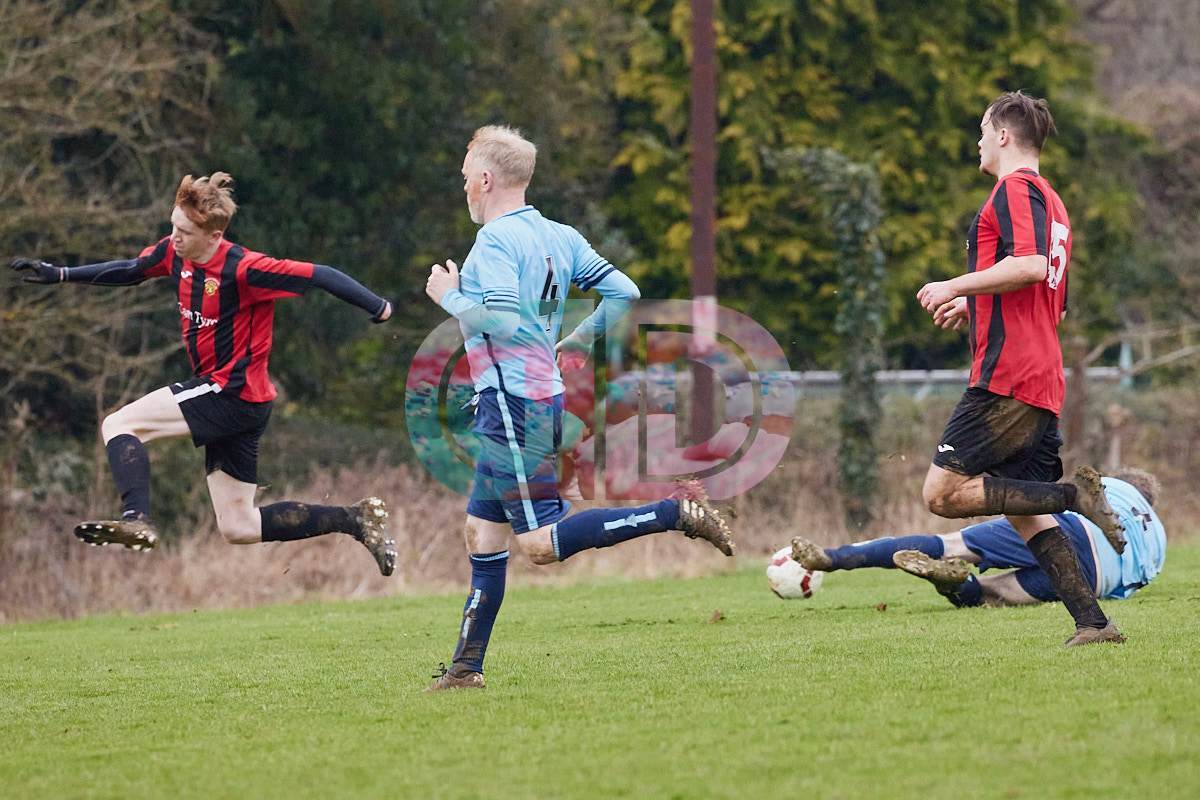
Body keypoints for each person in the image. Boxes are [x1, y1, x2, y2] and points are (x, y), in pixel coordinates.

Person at [423, 125, 734, 690]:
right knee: (482, 532)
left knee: (539, 545)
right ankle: (466, 668)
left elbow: (501, 322)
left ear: (486, 179)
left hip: (513, 405)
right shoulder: (559, 236)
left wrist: (451, 297)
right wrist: (580, 338)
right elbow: (624, 291)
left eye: (466, 175)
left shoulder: (493, 242)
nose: (463, 185)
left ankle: (674, 513)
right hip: (535, 398)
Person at [9, 173, 397, 575]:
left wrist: (378, 306)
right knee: (239, 526)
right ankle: (355, 519)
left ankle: (136, 519)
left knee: (119, 424)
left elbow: (320, 274)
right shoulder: (174, 253)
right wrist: (61, 274)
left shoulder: (246, 269)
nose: (174, 237)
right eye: (173, 226)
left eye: (185, 231)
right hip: (244, 403)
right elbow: (131, 269)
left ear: (214, 236)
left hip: (229, 392)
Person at [913, 91, 1125, 646]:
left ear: (1003, 136)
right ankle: (1093, 623)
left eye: (983, 131)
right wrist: (974, 305)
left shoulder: (1013, 190)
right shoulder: (1053, 203)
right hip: (1042, 373)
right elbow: (1052, 299)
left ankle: (1076, 498)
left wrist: (953, 285)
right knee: (1024, 510)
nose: (979, 142)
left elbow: (1028, 266)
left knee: (942, 495)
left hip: (1009, 373)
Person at [791, 469, 1165, 609]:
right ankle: (956, 584)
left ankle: (834, 557)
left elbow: (1075, 497)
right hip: (1095, 578)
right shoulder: (1160, 541)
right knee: (990, 595)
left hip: (1069, 528)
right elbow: (1128, 588)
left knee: (950, 546)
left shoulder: (1115, 488)